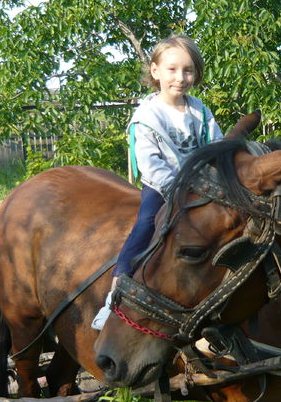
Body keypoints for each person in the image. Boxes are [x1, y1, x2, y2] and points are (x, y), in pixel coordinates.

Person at [92, 35, 223, 330]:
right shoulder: (146, 117)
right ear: (155, 71)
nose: (181, 77)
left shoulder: (200, 111)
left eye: (188, 70)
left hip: (202, 188)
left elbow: (216, 148)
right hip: (163, 188)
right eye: (172, 69)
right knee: (145, 225)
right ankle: (114, 295)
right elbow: (151, 165)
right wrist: (179, 191)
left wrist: (214, 180)